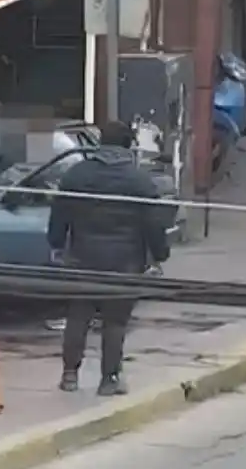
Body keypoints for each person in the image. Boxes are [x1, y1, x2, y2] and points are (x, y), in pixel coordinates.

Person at [47, 121, 170, 396]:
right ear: (129, 145)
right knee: (115, 322)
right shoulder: (139, 180)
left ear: (101, 142)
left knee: (78, 316)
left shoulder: (77, 175)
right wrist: (159, 255)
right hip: (125, 261)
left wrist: (56, 243)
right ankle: (109, 379)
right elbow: (154, 223)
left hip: (82, 256)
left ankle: (69, 375)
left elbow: (60, 214)